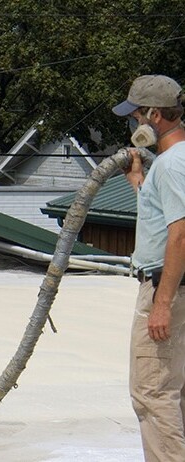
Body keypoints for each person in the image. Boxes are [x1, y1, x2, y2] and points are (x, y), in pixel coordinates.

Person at [113, 75, 185, 461]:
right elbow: (165, 218)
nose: (134, 122)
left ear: (155, 115)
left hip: (168, 288)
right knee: (175, 391)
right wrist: (139, 182)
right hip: (177, 288)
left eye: (137, 114)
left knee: (152, 392)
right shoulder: (175, 163)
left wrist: (161, 302)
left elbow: (181, 236)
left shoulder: (173, 164)